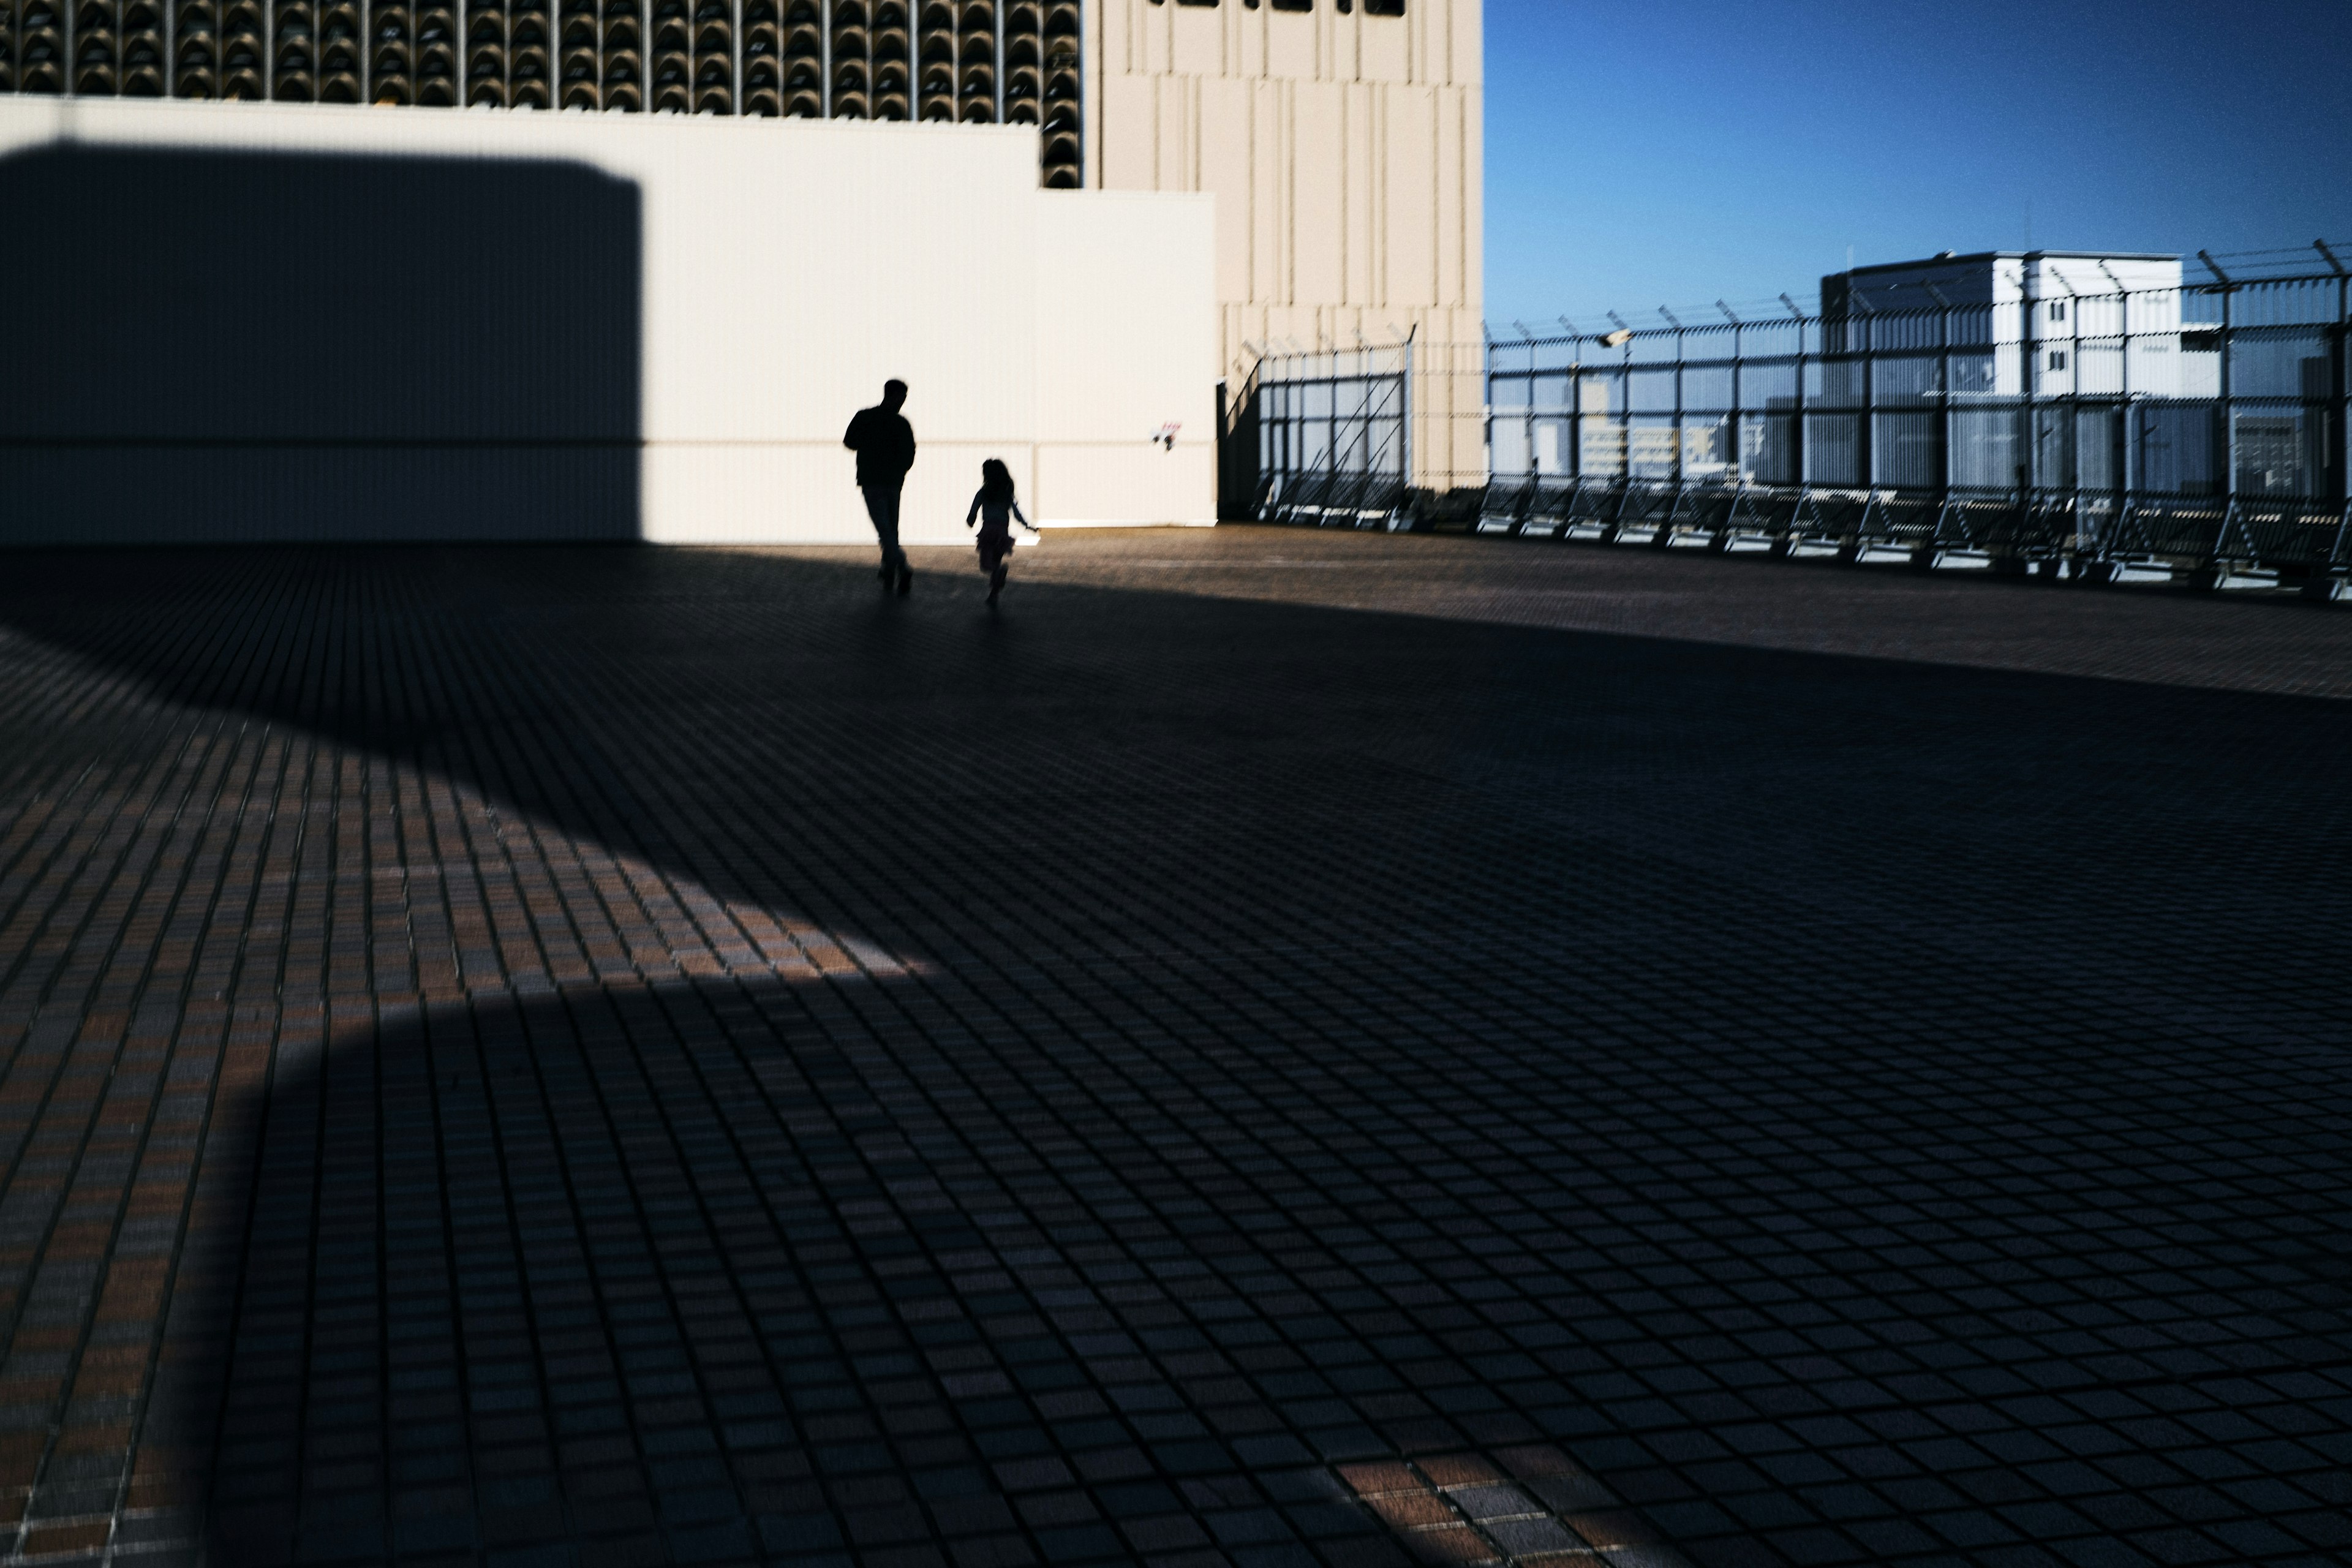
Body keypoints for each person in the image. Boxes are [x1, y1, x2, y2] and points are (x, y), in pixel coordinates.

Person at [843, 380, 917, 595]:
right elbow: (909, 454)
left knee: (885, 529)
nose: (903, 401)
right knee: (890, 529)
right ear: (895, 396)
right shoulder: (902, 424)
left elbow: (850, 441)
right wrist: (900, 470)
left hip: (871, 480)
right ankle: (897, 569)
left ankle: (893, 570)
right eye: (902, 397)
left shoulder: (865, 417)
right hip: (893, 482)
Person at [964, 458, 1037, 608]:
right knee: (995, 563)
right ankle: (994, 595)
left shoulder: (984, 492)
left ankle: (999, 574)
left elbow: (974, 510)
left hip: (988, 532)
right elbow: (1017, 514)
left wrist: (970, 520)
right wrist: (1027, 526)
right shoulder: (1006, 494)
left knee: (986, 565)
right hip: (1002, 533)